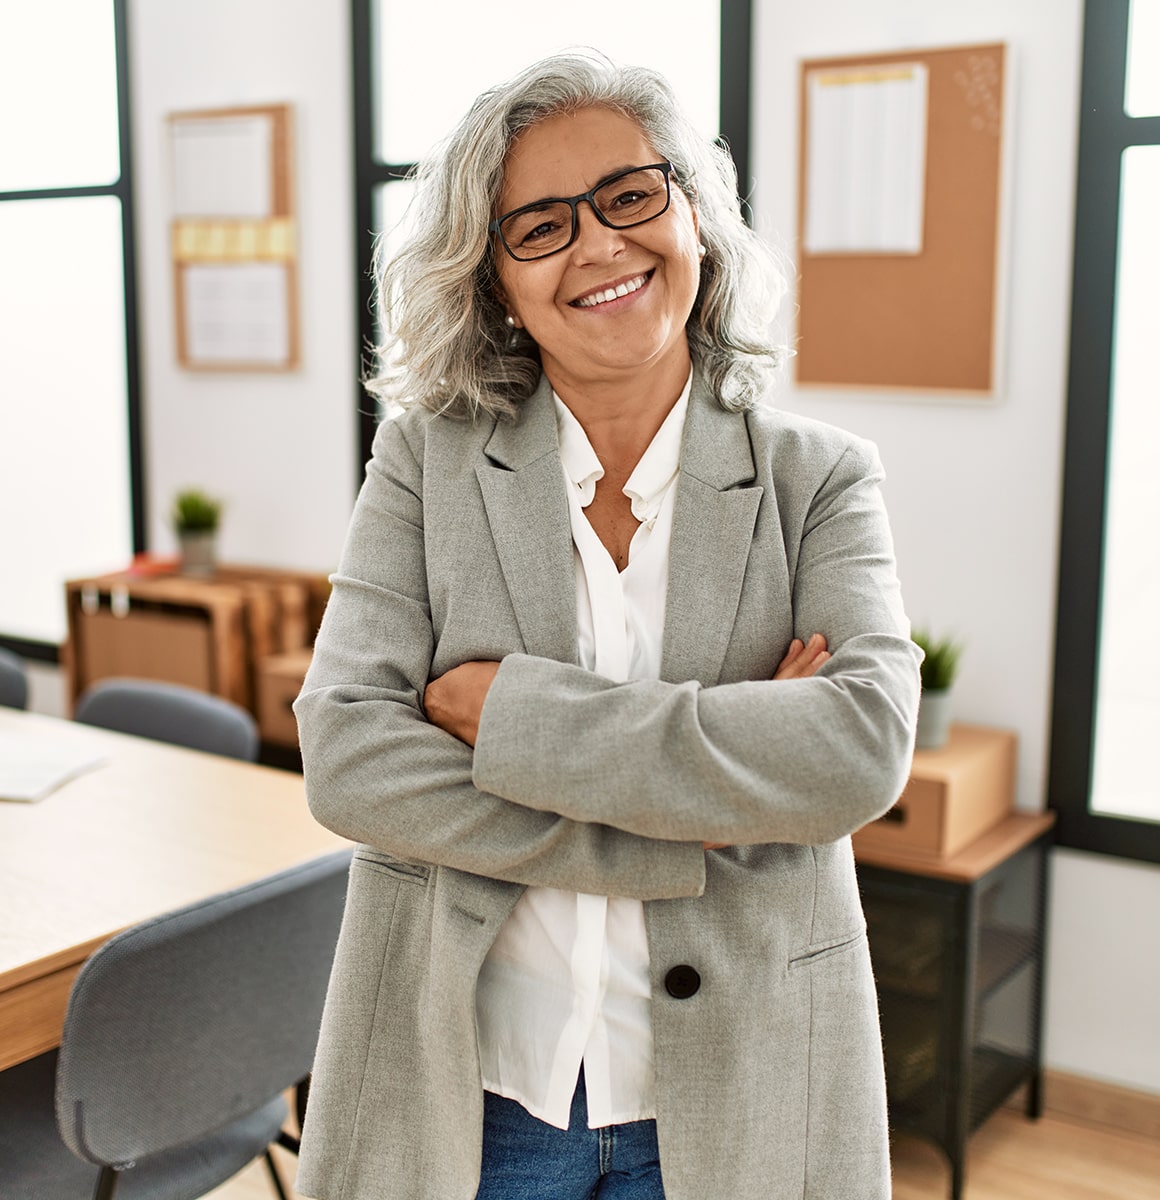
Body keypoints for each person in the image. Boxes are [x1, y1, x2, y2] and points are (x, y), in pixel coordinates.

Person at [293, 51, 920, 1200]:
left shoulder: (819, 478)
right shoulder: (425, 466)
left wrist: (512, 720)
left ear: (694, 214)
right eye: (537, 225)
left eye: (630, 195)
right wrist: (709, 815)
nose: (597, 245)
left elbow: (859, 748)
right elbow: (345, 757)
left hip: (735, 1088)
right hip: (476, 1091)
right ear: (492, 279)